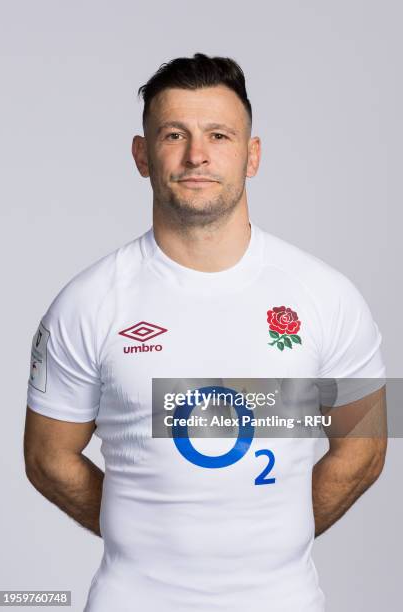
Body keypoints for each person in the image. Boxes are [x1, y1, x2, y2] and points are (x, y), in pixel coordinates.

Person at [24, 53, 387, 612]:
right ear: (142, 156)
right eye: (174, 135)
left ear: (253, 154)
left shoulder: (326, 296)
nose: (198, 155)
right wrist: (146, 536)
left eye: (219, 135)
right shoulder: (87, 303)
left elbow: (363, 449)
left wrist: (266, 544)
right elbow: (48, 458)